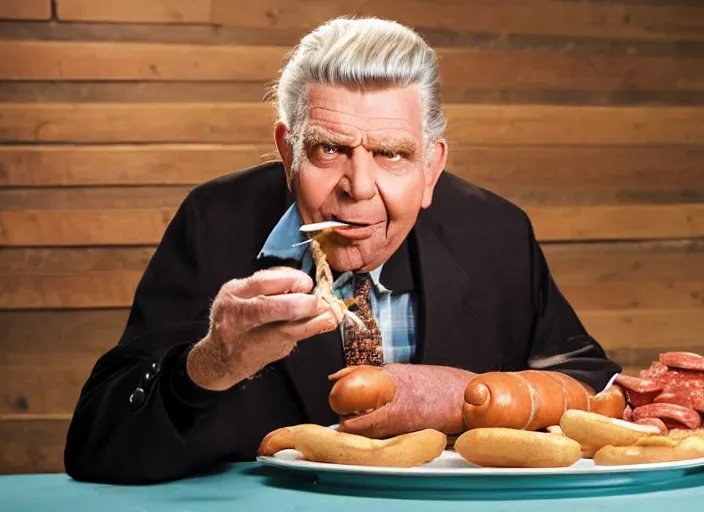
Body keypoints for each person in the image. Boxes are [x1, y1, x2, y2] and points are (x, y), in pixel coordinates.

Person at [64, 17, 621, 484]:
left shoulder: (496, 232)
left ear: (431, 168)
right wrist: (210, 364)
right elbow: (96, 446)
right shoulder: (215, 221)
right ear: (288, 154)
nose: (358, 186)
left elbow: (595, 388)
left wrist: (462, 396)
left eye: (392, 155)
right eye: (329, 149)